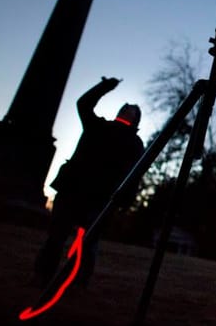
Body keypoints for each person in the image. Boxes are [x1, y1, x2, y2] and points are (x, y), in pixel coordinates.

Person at [32, 77, 144, 288]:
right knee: (55, 239)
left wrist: (124, 202)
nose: (128, 110)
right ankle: (41, 277)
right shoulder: (97, 126)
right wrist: (105, 87)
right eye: (126, 107)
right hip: (72, 191)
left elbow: (134, 174)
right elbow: (83, 104)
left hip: (100, 200)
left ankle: (77, 283)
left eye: (133, 110)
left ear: (137, 119)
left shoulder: (135, 143)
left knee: (87, 245)